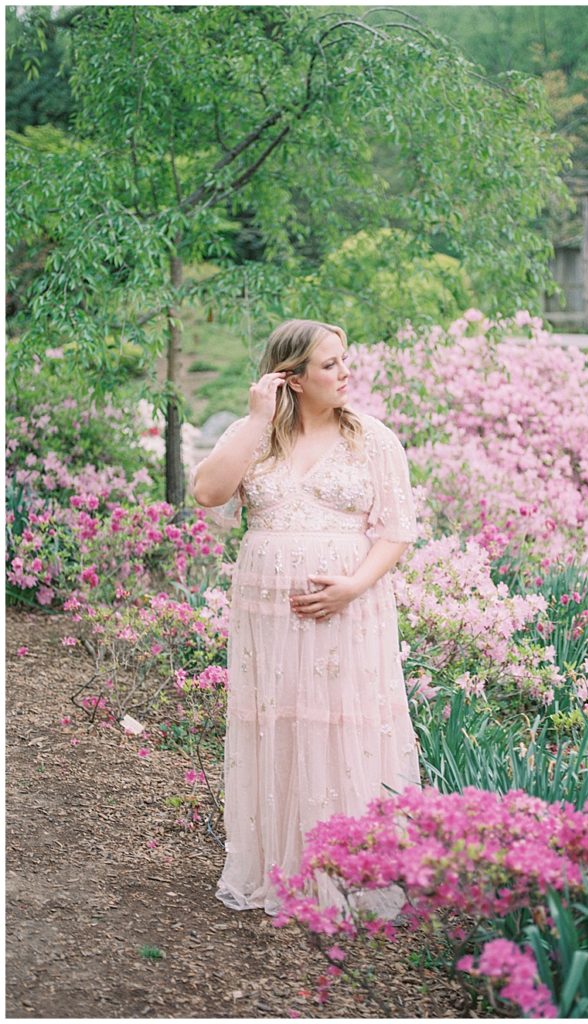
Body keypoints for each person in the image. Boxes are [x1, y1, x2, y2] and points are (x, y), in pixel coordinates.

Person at [191, 318, 421, 918]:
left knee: (341, 725)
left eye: (345, 361)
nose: (345, 373)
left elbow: (396, 532)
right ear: (290, 377)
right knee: (280, 723)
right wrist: (255, 420)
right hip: (267, 613)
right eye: (329, 365)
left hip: (349, 610)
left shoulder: (372, 439)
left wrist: (352, 586)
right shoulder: (257, 436)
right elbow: (208, 493)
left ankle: (345, 873)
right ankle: (283, 868)